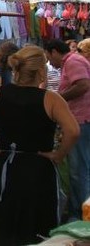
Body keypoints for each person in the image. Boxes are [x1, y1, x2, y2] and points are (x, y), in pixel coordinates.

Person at [0, 45, 79, 245]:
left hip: (5, 166)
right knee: (37, 225)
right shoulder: (50, 98)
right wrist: (59, 155)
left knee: (5, 223)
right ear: (41, 71)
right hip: (38, 168)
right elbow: (73, 131)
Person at [45, 39, 90, 222]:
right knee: (82, 169)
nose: (49, 61)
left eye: (49, 56)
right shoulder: (74, 61)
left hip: (81, 121)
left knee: (78, 170)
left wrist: (59, 98)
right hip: (80, 120)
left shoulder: (72, 61)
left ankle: (79, 215)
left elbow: (83, 85)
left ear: (54, 51)